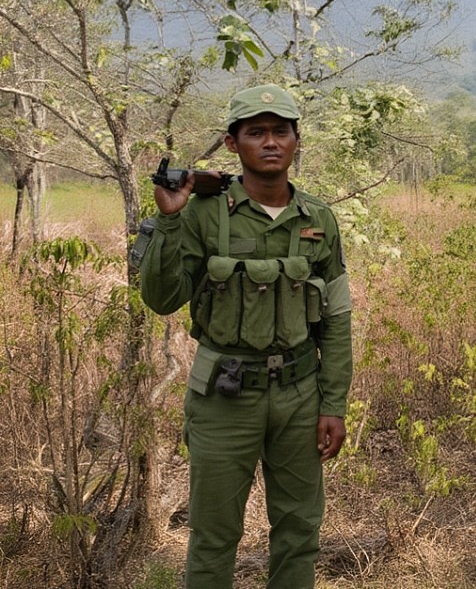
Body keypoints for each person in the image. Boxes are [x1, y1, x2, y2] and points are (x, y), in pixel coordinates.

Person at [138, 84, 353, 587]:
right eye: (256, 132)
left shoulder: (318, 218)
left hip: (301, 395)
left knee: (299, 531)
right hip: (223, 396)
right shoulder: (200, 213)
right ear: (233, 144)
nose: (271, 142)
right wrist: (168, 222)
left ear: (297, 141)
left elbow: (336, 319)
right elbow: (162, 299)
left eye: (282, 131)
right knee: (214, 536)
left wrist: (333, 404)